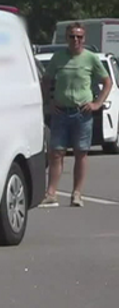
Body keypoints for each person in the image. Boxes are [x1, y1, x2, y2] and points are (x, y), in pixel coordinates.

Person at [39, 22, 112, 208]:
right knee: (56, 153)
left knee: (81, 153)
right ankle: (51, 193)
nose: (76, 40)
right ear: (67, 38)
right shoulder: (58, 57)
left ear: (84, 39)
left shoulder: (90, 58)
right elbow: (46, 80)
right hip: (60, 112)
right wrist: (49, 101)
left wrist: (97, 103)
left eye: (79, 37)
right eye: (72, 36)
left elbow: (107, 81)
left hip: (82, 113)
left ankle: (77, 194)